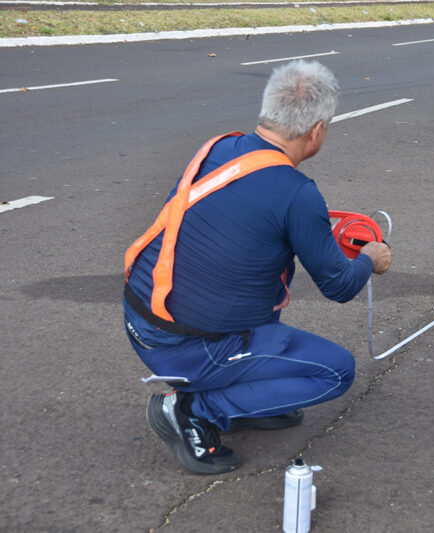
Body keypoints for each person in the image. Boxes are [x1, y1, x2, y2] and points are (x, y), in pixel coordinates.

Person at [123, 60, 392, 475]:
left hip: (142, 317)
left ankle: (246, 396)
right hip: (186, 345)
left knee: (266, 295)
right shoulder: (297, 193)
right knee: (336, 371)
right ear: (317, 130)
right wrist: (370, 257)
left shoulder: (217, 147)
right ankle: (194, 409)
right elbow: (338, 286)